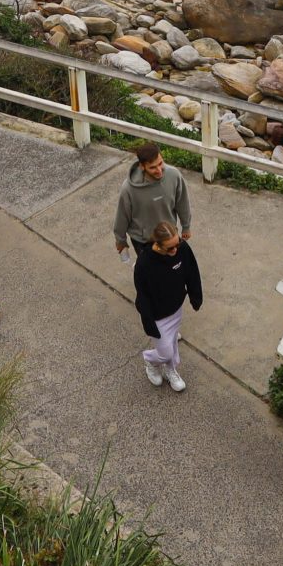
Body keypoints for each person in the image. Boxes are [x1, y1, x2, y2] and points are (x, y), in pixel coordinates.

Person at [132, 218, 202, 392]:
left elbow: (192, 272)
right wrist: (148, 322)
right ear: (157, 244)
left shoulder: (182, 249)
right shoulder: (144, 263)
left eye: (177, 244)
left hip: (175, 309)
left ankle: (170, 370)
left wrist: (195, 296)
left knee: (171, 342)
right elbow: (143, 295)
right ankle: (150, 360)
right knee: (165, 352)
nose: (175, 250)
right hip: (157, 315)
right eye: (170, 248)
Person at [114, 142, 192, 259]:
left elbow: (182, 202)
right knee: (150, 273)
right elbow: (122, 216)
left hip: (169, 237)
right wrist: (121, 241)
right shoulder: (128, 189)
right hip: (143, 241)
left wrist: (186, 226)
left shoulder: (174, 176)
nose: (159, 170)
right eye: (153, 167)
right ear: (142, 166)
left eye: (160, 164)